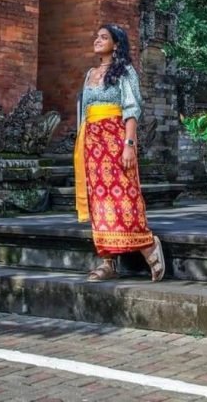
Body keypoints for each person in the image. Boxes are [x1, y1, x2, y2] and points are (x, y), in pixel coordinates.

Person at [73, 24, 165, 282]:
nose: (97, 40)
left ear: (116, 44)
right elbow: (84, 112)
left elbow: (131, 108)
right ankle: (107, 261)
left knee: (124, 196)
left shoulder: (125, 71)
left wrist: (129, 144)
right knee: (99, 201)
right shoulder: (90, 73)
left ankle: (148, 246)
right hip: (92, 143)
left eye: (104, 37)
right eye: (97, 36)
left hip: (115, 140)